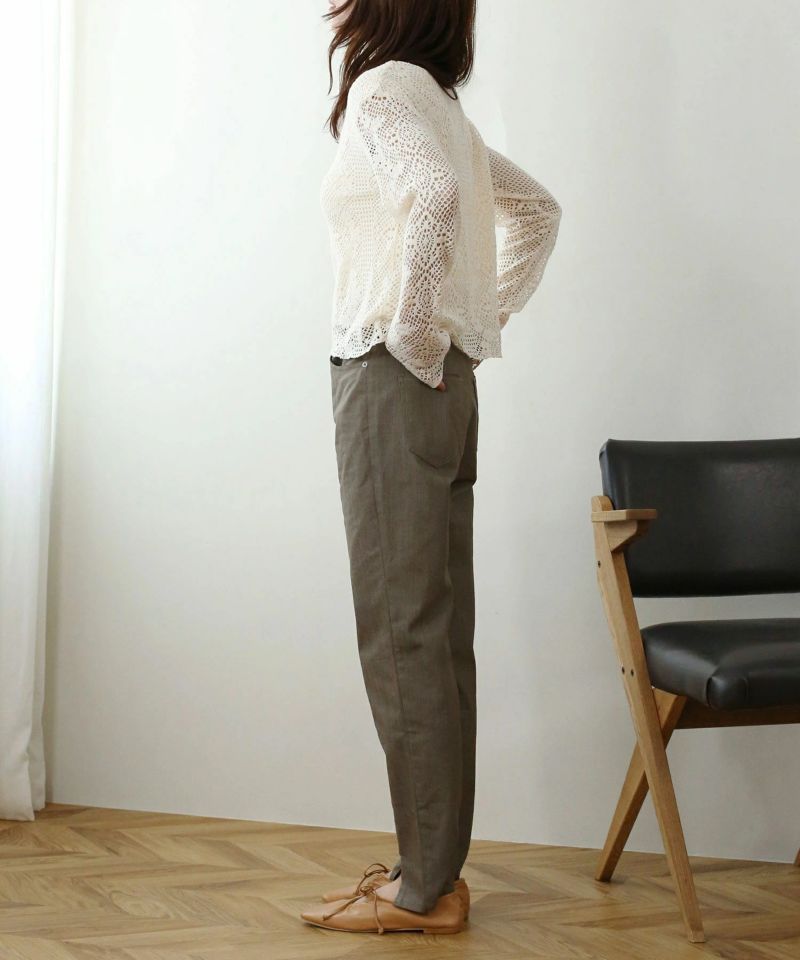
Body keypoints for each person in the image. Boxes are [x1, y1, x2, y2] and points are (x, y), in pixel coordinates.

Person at [300, 0, 562, 936]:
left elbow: (440, 199)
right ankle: (435, 872)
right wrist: (472, 320)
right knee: (440, 635)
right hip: (450, 391)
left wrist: (415, 334)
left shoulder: (384, 92)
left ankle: (421, 893)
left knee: (401, 633)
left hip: (392, 379)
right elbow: (537, 212)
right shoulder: (445, 110)